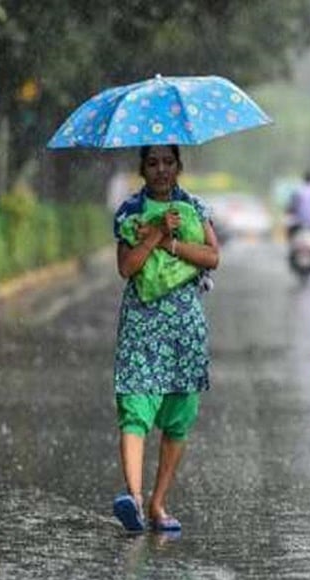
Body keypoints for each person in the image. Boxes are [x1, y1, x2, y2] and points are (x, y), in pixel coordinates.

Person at [110, 144, 220, 534]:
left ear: (179, 166)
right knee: (135, 405)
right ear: (142, 168)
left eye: (168, 162)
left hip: (184, 328)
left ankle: (158, 503)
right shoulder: (130, 212)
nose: (161, 170)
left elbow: (212, 257)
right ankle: (135, 499)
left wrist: (171, 242)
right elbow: (127, 267)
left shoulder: (195, 208)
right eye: (153, 163)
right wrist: (155, 232)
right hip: (142, 324)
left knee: (178, 416)